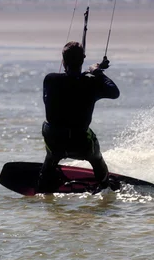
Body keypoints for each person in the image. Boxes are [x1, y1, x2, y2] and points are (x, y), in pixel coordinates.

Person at [38, 41, 120, 192]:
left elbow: (72, 83)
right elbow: (114, 93)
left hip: (56, 142)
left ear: (63, 61)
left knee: (51, 149)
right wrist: (97, 72)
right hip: (81, 144)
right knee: (96, 158)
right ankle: (104, 186)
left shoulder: (50, 80)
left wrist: (90, 74)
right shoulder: (91, 83)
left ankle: (44, 183)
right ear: (83, 60)